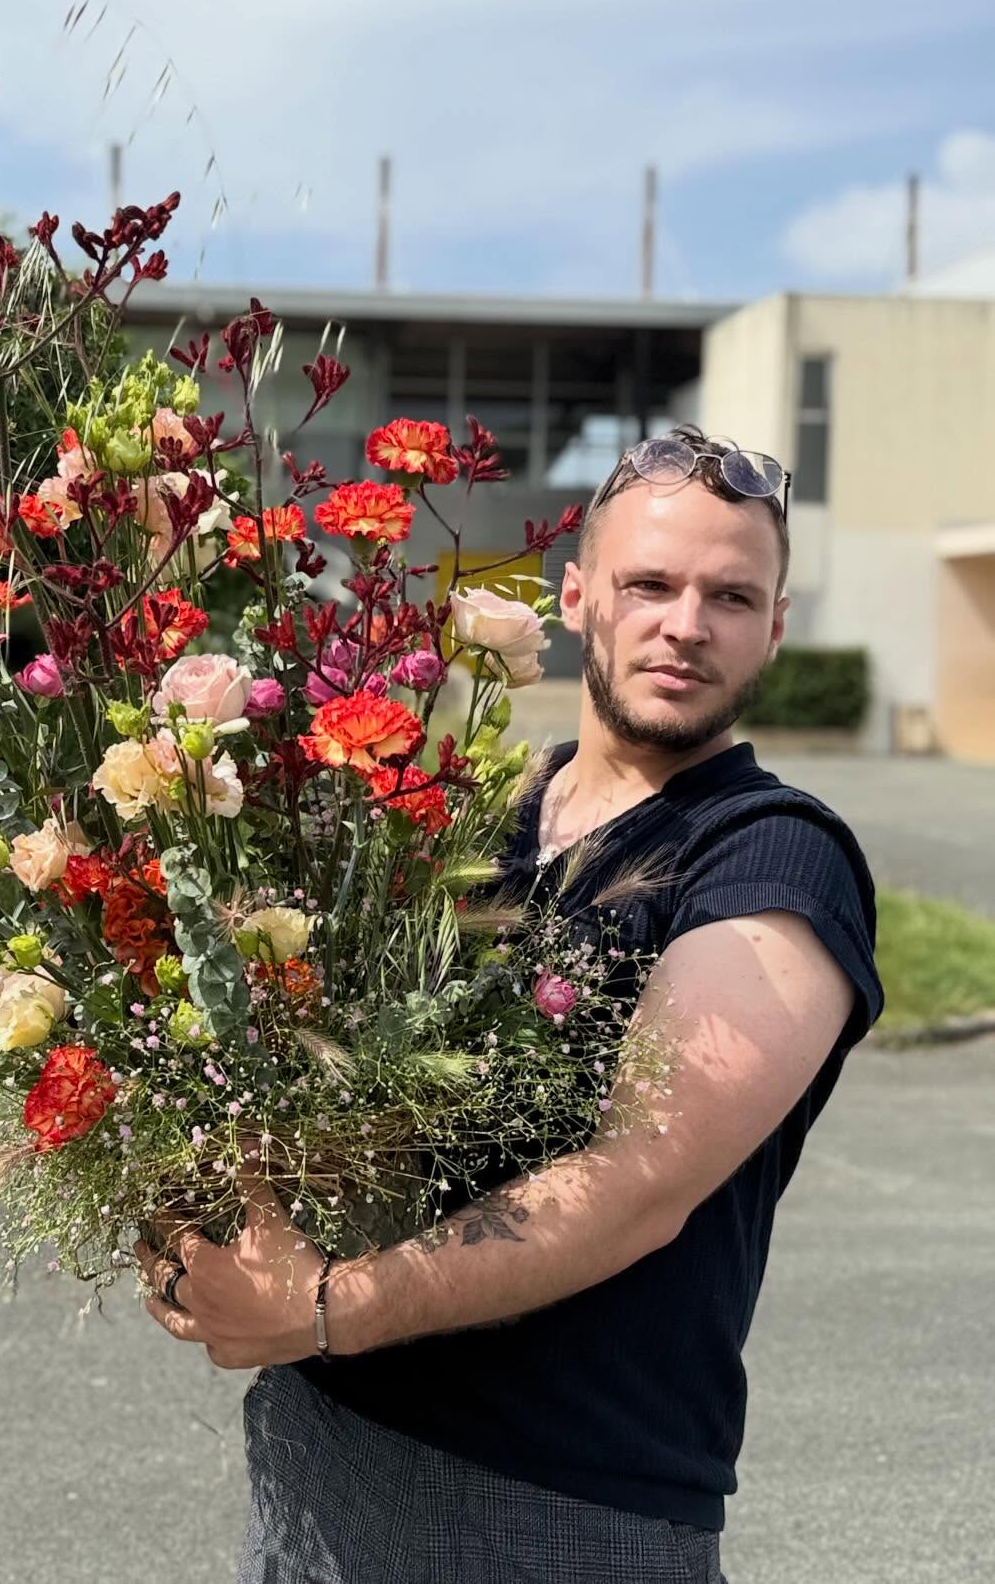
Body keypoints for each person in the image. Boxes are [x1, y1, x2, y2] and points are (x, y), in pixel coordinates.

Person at [135, 425, 883, 1584]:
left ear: (774, 625)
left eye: (731, 595)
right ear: (578, 595)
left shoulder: (772, 861)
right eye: (650, 583)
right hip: (320, 1444)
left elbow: (637, 1184)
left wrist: (327, 1304)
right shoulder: (475, 811)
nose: (686, 623)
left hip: (558, 1501)